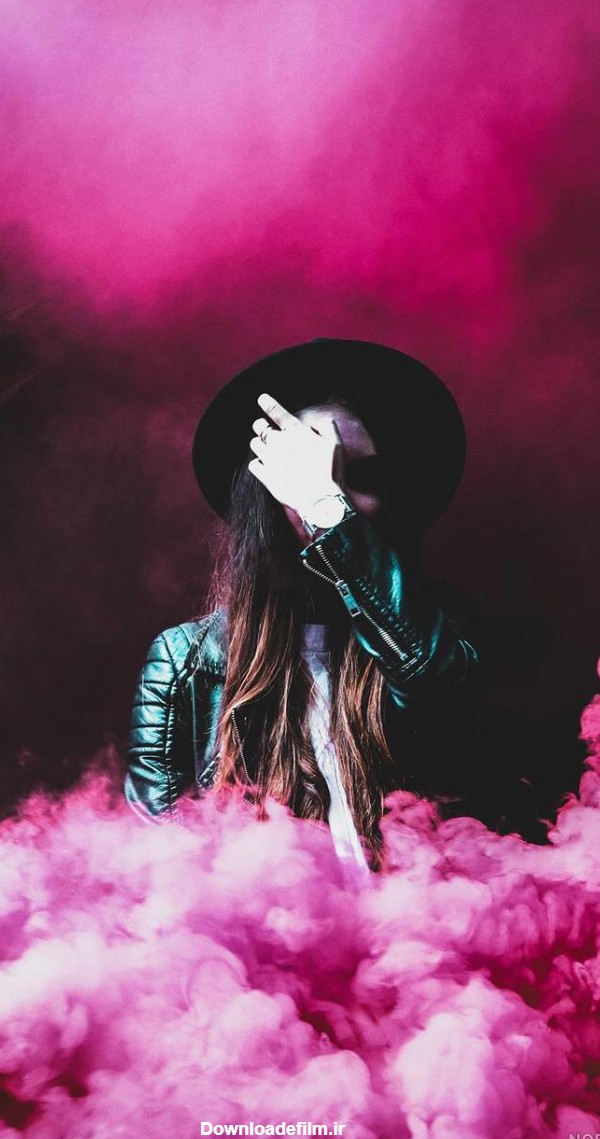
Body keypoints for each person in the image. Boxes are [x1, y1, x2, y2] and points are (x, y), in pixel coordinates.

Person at [125, 338, 497, 879]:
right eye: (310, 475)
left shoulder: (436, 629)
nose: (339, 496)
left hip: (425, 929)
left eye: (360, 478)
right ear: (266, 494)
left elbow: (436, 688)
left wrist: (326, 509)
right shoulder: (185, 662)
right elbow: (160, 869)